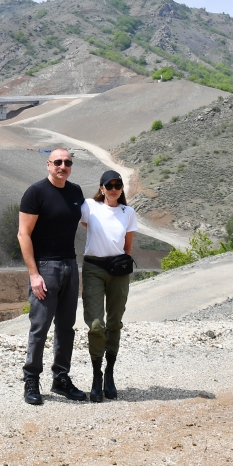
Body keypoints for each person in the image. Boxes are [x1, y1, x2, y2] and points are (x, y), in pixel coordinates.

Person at [17, 148, 88, 405]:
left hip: (70, 264)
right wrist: (34, 274)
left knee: (66, 327)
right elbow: (23, 234)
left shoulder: (75, 191)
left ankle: (61, 378)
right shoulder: (35, 193)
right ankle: (31, 379)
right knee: (40, 326)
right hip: (45, 267)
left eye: (67, 162)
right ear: (48, 164)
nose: (63, 166)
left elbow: (90, 220)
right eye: (57, 162)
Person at [80, 169, 137, 402]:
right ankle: (96, 375)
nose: (114, 189)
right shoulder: (89, 206)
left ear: (122, 189)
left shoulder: (128, 212)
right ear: (101, 188)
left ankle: (109, 373)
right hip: (93, 268)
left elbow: (128, 246)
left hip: (118, 270)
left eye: (118, 185)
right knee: (96, 324)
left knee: (115, 322)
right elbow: (84, 223)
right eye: (109, 185)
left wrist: (119, 262)